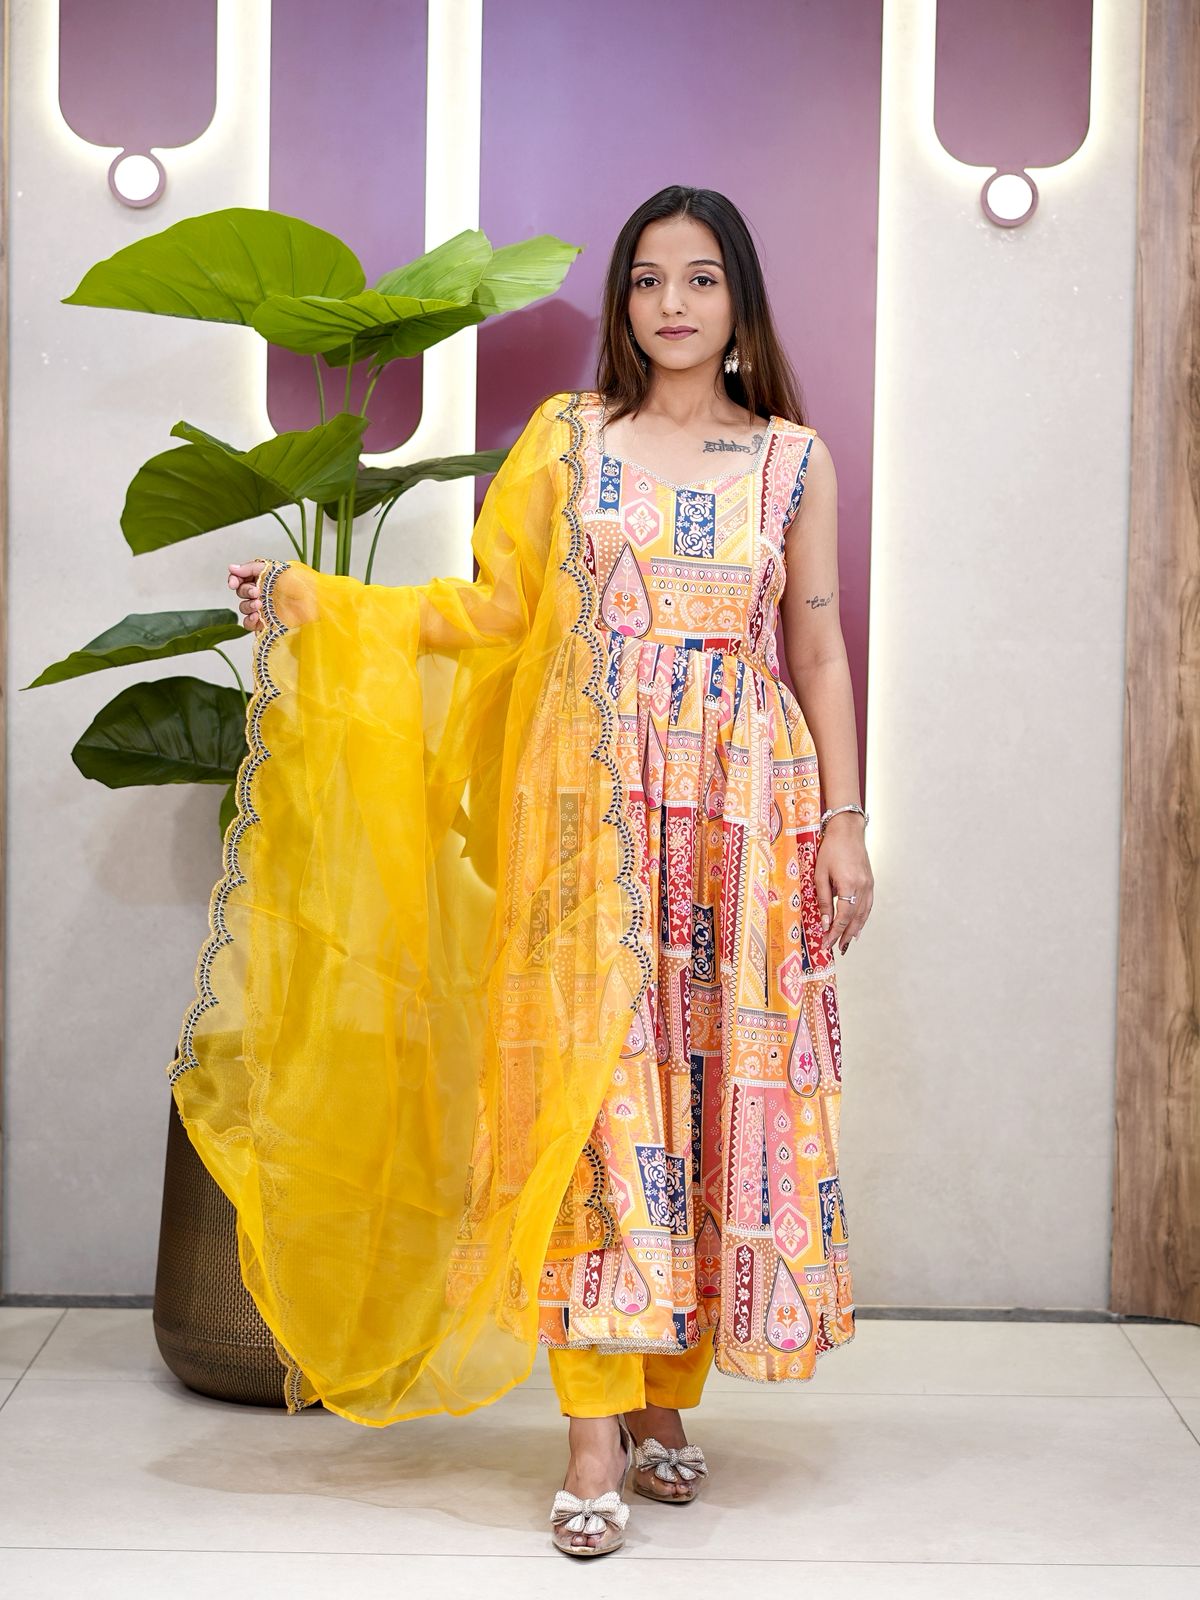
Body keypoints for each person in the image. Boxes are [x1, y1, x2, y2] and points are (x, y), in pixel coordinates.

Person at [185, 184, 873, 1560]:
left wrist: (844, 824)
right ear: (624, 303)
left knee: (710, 1091)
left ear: (740, 301)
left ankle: (666, 1395)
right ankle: (591, 1430)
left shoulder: (793, 461)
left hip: (744, 812)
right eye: (648, 279)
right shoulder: (570, 442)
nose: (672, 303)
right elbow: (497, 611)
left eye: (701, 278)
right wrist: (326, 605)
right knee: (592, 1103)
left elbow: (817, 646)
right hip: (592, 812)